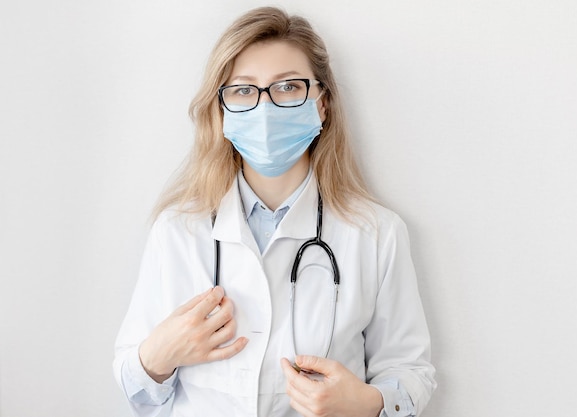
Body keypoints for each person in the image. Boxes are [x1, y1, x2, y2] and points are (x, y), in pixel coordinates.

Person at [113, 6, 436, 417]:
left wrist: (367, 403)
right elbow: (135, 390)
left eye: (287, 87)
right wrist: (156, 358)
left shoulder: (376, 233)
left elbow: (410, 370)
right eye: (244, 90)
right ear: (223, 110)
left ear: (322, 103)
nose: (265, 108)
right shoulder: (178, 229)